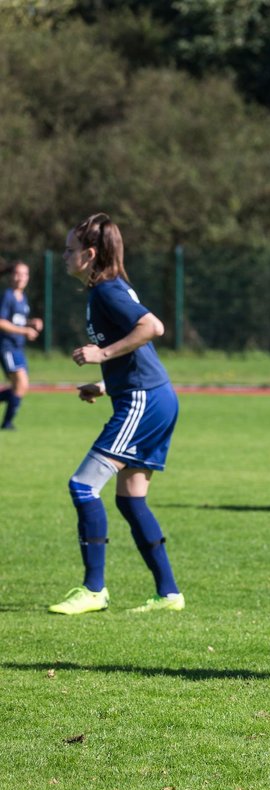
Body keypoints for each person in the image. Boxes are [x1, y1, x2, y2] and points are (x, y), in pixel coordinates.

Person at [48, 213, 185, 615]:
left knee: (82, 486)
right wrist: (106, 384)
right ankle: (169, 593)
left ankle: (94, 590)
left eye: (70, 250)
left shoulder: (107, 291)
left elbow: (152, 327)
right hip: (151, 396)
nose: (63, 256)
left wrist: (101, 355)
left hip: (145, 401)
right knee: (130, 500)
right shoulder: (108, 290)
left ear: (90, 255)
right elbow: (140, 352)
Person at [0, 261, 44, 430]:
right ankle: (7, 423)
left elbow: (16, 320)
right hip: (7, 346)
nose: (21, 277)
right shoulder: (8, 296)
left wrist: (31, 322)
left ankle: (7, 423)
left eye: (25, 274)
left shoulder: (22, 298)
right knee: (21, 383)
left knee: (21, 386)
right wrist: (25, 331)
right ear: (11, 276)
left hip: (18, 347)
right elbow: (2, 322)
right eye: (18, 273)